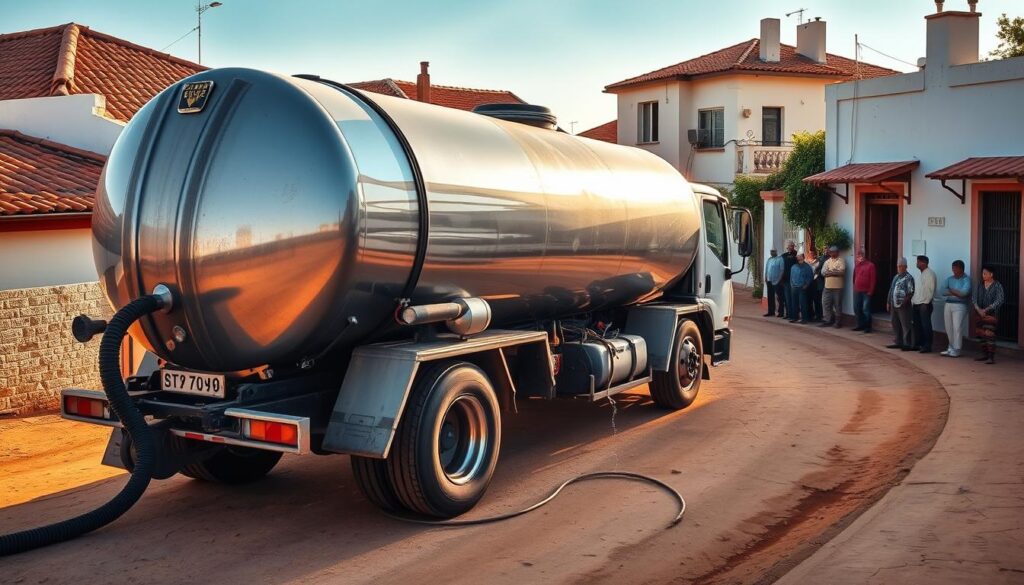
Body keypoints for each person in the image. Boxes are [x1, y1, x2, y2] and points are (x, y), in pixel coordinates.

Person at [973, 265, 1005, 364]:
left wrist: (986, 309)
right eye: (983, 273)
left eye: (985, 273)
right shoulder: (980, 284)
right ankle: (985, 354)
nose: (983, 275)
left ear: (991, 274)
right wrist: (978, 309)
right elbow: (974, 298)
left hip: (991, 314)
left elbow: (1000, 300)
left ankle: (991, 357)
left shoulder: (997, 285)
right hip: (979, 314)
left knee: (989, 334)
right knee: (980, 334)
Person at [940, 260, 971, 357]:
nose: (953, 271)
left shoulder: (966, 280)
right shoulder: (949, 279)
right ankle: (951, 347)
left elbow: (964, 293)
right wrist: (956, 292)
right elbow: (942, 291)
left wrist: (951, 290)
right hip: (948, 304)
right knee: (949, 327)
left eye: (955, 269)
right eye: (953, 268)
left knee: (957, 327)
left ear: (961, 269)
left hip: (960, 306)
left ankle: (957, 349)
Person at [886, 257, 915, 351]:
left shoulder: (909, 278)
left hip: (903, 305)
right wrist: (888, 302)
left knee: (905, 324)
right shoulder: (896, 277)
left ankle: (907, 344)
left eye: (900, 266)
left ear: (905, 267)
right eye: (898, 266)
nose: (898, 268)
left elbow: (911, 292)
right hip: (894, 304)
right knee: (895, 323)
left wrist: (905, 302)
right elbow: (891, 289)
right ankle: (898, 341)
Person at [911, 255, 938, 353]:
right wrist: (913, 301)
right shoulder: (920, 274)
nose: (916, 264)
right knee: (917, 325)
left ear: (924, 263)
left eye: (918, 262)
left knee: (926, 325)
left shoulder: (930, 274)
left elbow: (929, 291)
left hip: (924, 304)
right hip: (917, 303)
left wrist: (925, 303)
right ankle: (919, 344)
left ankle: (927, 346)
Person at [819, 245, 846, 328]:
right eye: (830, 252)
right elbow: (823, 272)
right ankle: (827, 320)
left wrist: (831, 272)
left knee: (837, 304)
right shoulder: (827, 261)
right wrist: (834, 271)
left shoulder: (841, 260)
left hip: (837, 287)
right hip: (827, 286)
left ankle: (838, 322)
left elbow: (842, 272)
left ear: (837, 252)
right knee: (825, 303)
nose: (831, 253)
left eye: (832, 252)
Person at [852, 248, 876, 333]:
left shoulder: (870, 265)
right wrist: (854, 287)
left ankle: (868, 327)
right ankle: (860, 325)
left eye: (861, 254)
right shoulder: (857, 265)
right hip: (857, 290)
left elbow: (873, 279)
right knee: (856, 308)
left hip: (866, 291)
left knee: (866, 309)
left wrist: (870, 291)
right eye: (858, 255)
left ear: (865, 255)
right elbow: (854, 277)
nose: (860, 256)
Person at [789, 253, 813, 323]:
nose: (798, 257)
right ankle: (795, 317)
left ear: (803, 257)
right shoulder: (793, 267)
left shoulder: (807, 267)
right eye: (797, 256)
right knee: (794, 303)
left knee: (803, 303)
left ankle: (804, 319)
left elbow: (810, 277)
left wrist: (806, 285)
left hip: (802, 287)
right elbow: (791, 277)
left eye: (799, 256)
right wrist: (791, 284)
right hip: (794, 287)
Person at [779, 240, 798, 319]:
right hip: (786, 280)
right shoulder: (783, 256)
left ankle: (794, 315)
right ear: (787, 247)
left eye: (792, 246)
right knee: (787, 298)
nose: (791, 247)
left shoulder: (796, 255)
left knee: (794, 298)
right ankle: (788, 314)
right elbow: (781, 267)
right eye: (790, 246)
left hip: (794, 280)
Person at [764, 248, 785, 318]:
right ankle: (771, 311)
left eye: (773, 251)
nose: (772, 253)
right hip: (769, 281)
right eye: (771, 251)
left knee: (780, 297)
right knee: (770, 296)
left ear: (776, 252)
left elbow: (782, 270)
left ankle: (781, 312)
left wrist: (779, 280)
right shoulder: (769, 259)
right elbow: (766, 269)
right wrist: (766, 278)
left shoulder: (780, 259)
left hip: (777, 281)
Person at [806, 248, 824, 322]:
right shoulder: (806, 262)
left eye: (812, 253)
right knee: (808, 300)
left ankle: (818, 316)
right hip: (808, 283)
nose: (811, 255)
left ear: (815, 254)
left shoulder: (819, 262)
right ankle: (810, 315)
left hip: (816, 282)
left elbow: (819, 271)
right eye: (810, 253)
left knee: (817, 300)